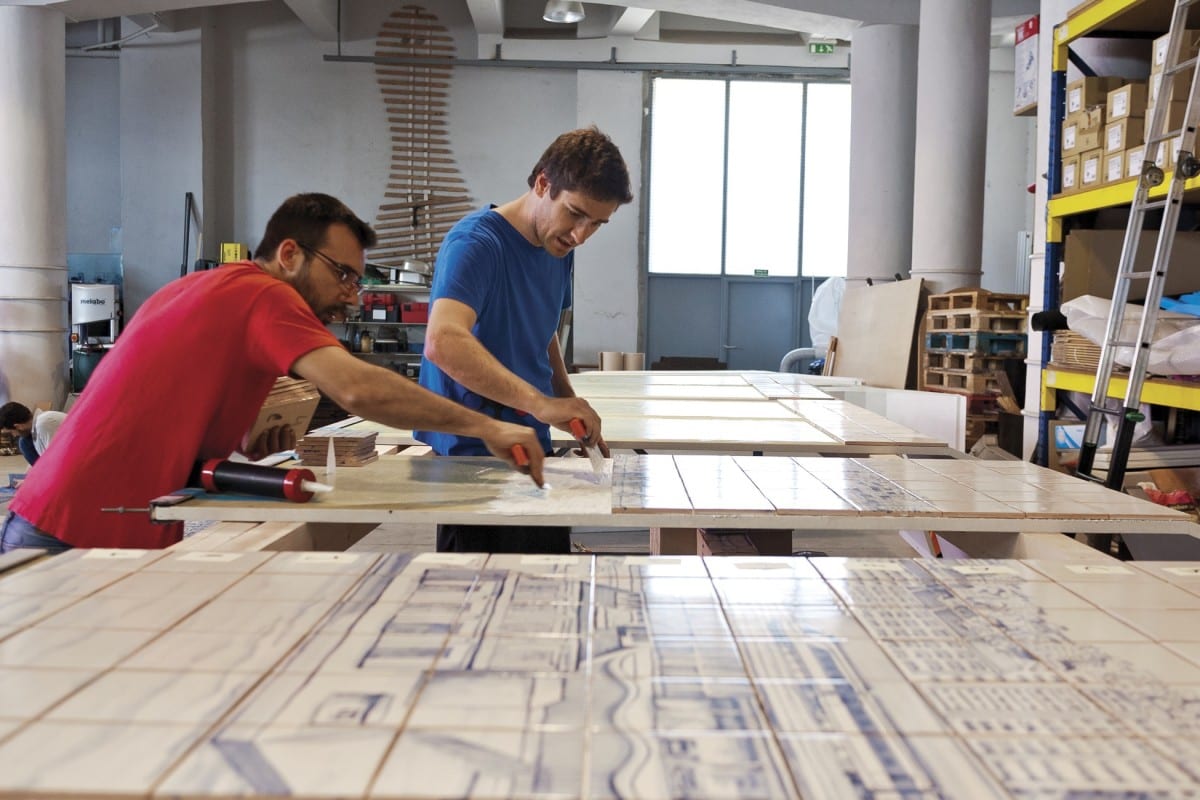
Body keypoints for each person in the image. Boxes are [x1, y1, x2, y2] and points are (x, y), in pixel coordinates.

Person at [1, 193, 545, 554]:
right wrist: (488, 427)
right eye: (342, 276)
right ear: (289, 254)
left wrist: (243, 453)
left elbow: (151, 423)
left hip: (75, 517)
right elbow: (355, 386)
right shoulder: (264, 295)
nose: (349, 296)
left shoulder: (207, 287)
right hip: (74, 530)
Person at [416, 126, 633, 553]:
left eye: (598, 224)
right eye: (575, 214)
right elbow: (443, 340)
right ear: (542, 183)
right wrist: (540, 403)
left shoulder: (558, 250)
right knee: (480, 600)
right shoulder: (477, 243)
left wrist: (567, 398)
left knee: (543, 587)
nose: (581, 236)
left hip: (533, 443)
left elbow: (543, 326)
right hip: (474, 457)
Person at [0, 402, 65, 466]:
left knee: (24, 442)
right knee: (24, 442)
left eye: (12, 432)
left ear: (18, 426)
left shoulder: (43, 424)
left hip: (68, 463)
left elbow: (56, 460)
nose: (14, 435)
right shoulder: (36, 426)